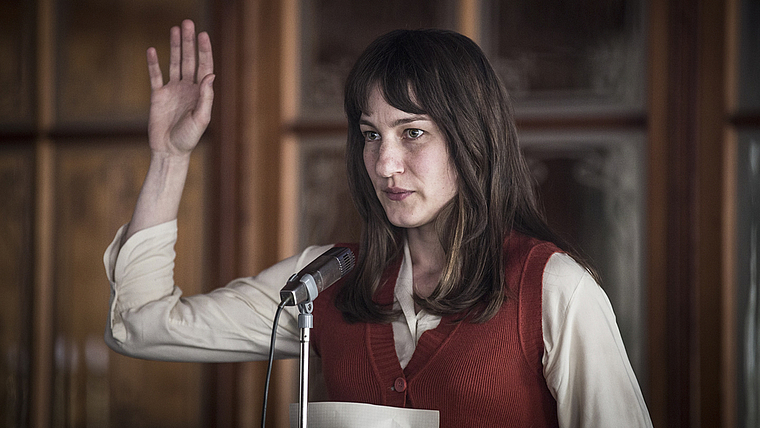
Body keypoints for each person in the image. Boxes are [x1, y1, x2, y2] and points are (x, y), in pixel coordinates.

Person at [104, 19, 653, 427]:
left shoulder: (555, 290)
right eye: (371, 135)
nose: (385, 164)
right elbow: (142, 325)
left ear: (472, 142)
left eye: (412, 132)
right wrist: (171, 157)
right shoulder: (324, 281)